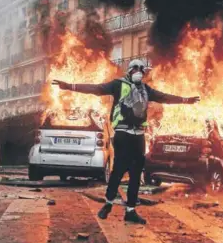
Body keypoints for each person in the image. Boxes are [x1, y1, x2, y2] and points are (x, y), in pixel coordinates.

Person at [52, 59, 200, 224]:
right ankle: (108, 203)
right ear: (129, 71)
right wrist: (69, 86)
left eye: (141, 70)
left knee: (136, 173)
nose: (139, 72)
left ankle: (130, 210)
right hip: (123, 134)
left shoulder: (145, 89)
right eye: (136, 69)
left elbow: (164, 97)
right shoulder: (118, 84)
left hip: (138, 136)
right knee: (119, 169)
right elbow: (96, 89)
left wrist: (186, 100)